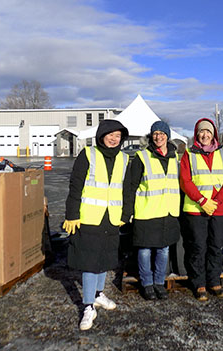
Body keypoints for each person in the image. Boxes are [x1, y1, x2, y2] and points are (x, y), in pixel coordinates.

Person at [63, 119, 130, 331]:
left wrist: (126, 213)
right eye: (110, 134)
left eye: (118, 136)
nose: (113, 139)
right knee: (90, 262)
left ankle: (99, 294)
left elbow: (127, 189)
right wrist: (72, 214)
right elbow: (76, 185)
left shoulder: (124, 158)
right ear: (101, 135)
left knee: (105, 258)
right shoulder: (88, 154)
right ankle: (88, 306)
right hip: (90, 217)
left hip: (112, 217)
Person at [122, 121, 181, 301]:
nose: (158, 137)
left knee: (163, 250)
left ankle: (159, 282)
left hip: (167, 211)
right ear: (151, 136)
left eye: (162, 133)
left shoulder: (175, 157)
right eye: (155, 133)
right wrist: (128, 211)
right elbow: (131, 186)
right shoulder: (142, 157)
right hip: (146, 211)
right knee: (145, 250)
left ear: (167, 136)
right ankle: (147, 284)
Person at [179, 118, 223, 301]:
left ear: (214, 135)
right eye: (202, 132)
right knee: (198, 247)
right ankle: (199, 283)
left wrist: (216, 201)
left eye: (208, 132)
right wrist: (202, 200)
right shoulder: (189, 154)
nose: (205, 135)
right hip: (196, 209)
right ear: (197, 134)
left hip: (218, 208)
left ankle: (214, 281)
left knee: (215, 247)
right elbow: (185, 181)